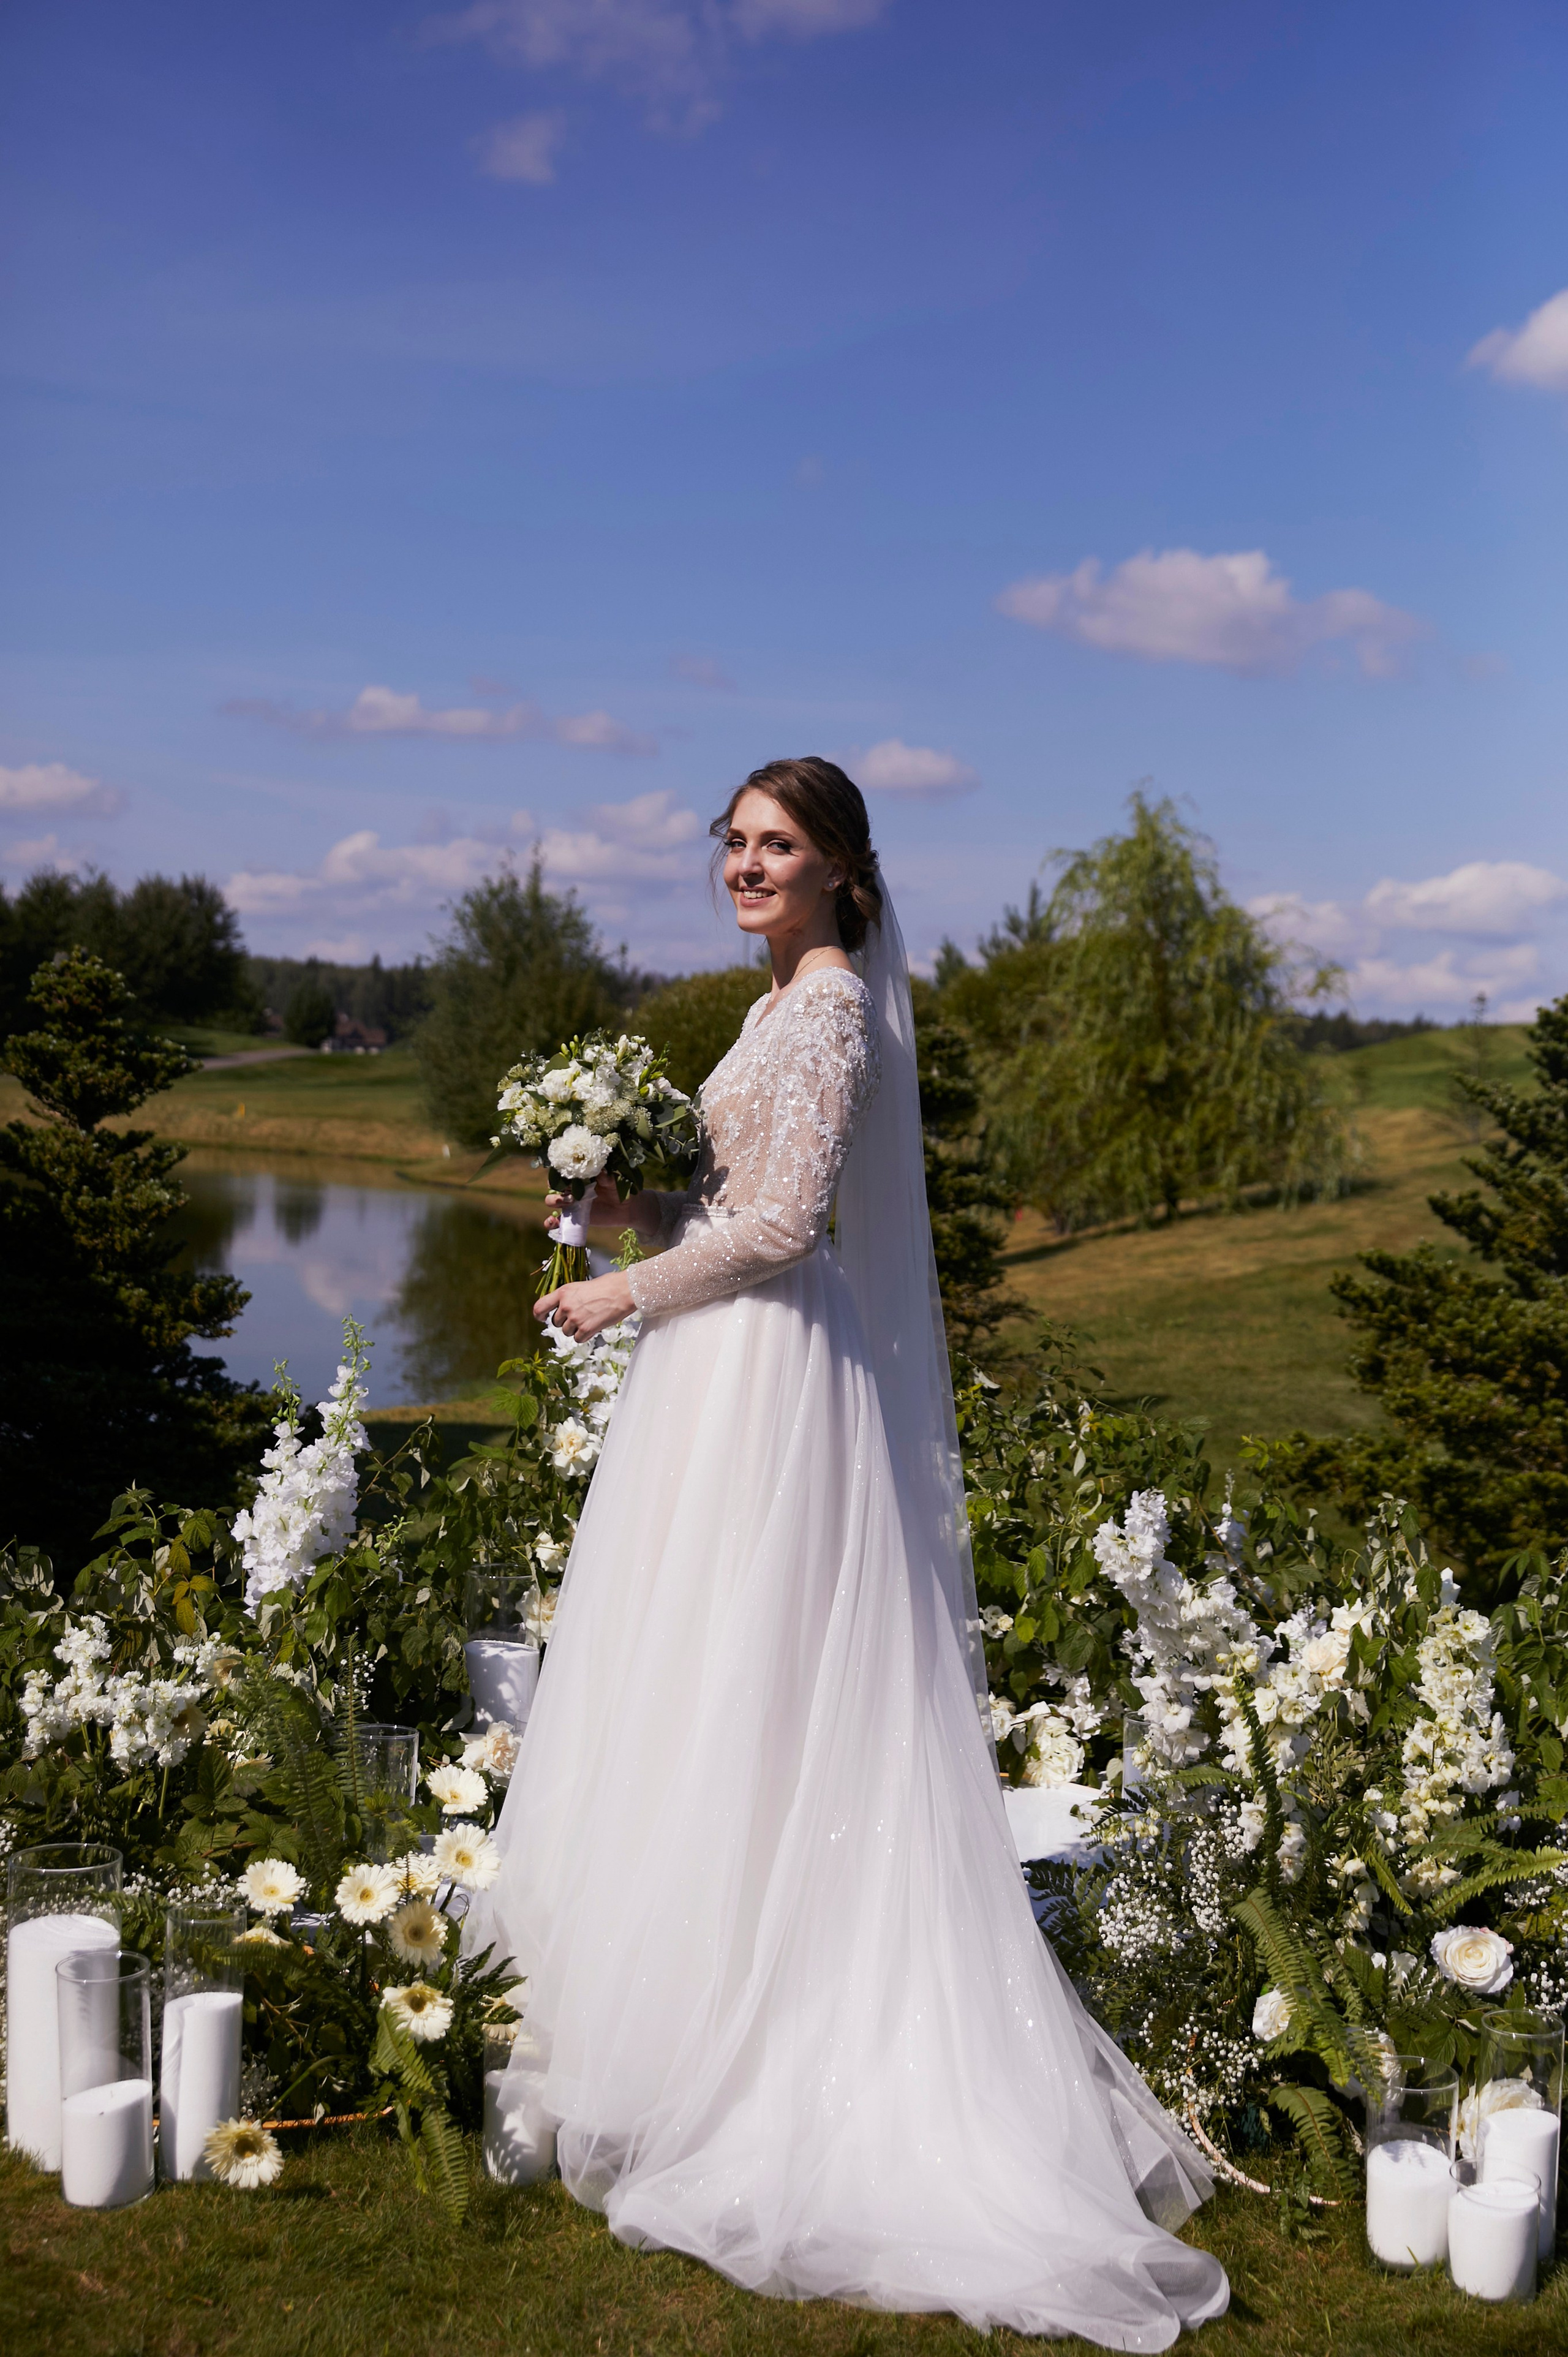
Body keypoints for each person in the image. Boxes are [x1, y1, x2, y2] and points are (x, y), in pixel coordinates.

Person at [466, 758, 1229, 2348]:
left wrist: (627, 1293)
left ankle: (753, 2040)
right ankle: (667, 2020)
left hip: (772, 1373)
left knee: (750, 1681)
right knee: (700, 1682)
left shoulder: (818, 1012)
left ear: (840, 874)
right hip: (726, 1365)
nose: (747, 864)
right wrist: (620, 1221)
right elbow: (733, 1197)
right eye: (733, 842)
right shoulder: (777, 1005)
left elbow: (783, 1228)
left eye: (779, 845)